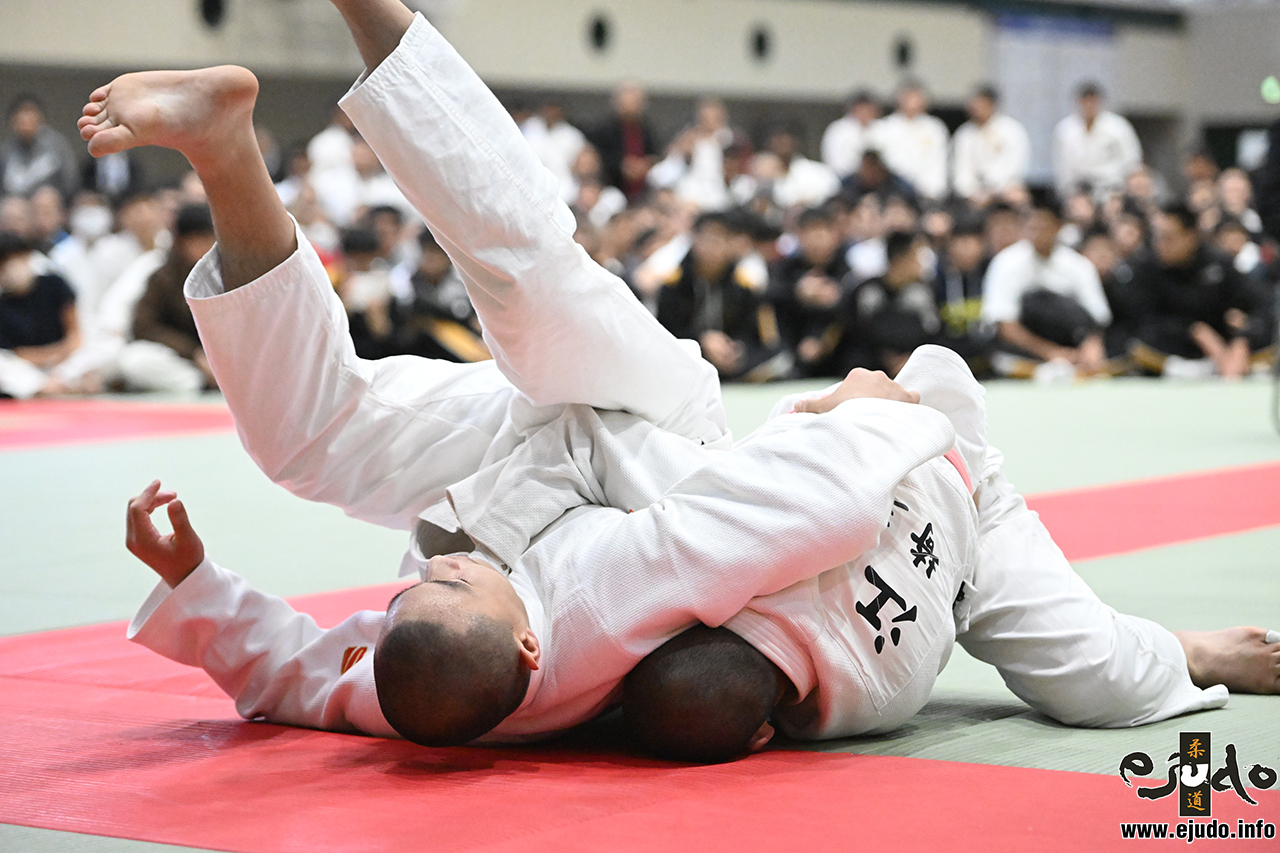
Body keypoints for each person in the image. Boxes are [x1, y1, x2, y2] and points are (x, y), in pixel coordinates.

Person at [89, 0, 1276, 756]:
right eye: (448, 594)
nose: (427, 572)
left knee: (309, 435)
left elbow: (301, 675)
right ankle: (318, 64)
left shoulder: (420, 676)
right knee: (533, 296)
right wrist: (894, 411)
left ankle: (229, 139)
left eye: (410, 596)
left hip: (533, 453)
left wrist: (199, 588)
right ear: (519, 655)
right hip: (653, 421)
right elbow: (812, 497)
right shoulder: (621, 591)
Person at [1127, 203, 1273, 379]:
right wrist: (1195, 331)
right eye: (1156, 237)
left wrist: (1243, 340)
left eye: (1168, 238)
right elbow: (1142, 324)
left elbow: (1262, 303)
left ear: (1191, 236)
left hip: (1224, 361)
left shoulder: (1218, 264)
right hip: (1166, 363)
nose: (1160, 245)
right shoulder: (1143, 268)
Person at [980, 194, 1111, 378]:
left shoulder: (1079, 266)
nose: (1037, 233)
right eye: (1032, 227)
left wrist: (1091, 345)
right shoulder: (1005, 263)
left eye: (1043, 227)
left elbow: (1097, 317)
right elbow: (1005, 326)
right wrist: (1051, 353)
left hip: (1072, 351)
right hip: (1024, 353)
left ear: (1059, 227)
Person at [654, 211, 788, 381]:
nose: (713, 246)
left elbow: (760, 338)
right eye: (708, 238)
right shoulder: (673, 282)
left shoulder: (744, 283)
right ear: (694, 239)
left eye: (720, 239)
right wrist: (702, 342)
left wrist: (736, 348)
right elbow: (663, 334)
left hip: (732, 365)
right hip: (686, 363)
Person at [767, 205, 853, 378]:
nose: (817, 239)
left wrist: (835, 299)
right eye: (810, 232)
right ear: (799, 235)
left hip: (837, 353)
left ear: (835, 235)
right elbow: (769, 296)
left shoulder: (847, 270)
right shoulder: (785, 268)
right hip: (792, 344)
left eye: (822, 231)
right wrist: (799, 292)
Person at [849, 230, 941, 376]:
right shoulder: (868, 292)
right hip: (872, 370)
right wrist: (886, 359)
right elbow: (858, 336)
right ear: (899, 260)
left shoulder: (924, 292)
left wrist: (911, 360)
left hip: (916, 369)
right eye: (916, 257)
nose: (921, 264)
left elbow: (933, 333)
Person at [1052, 82, 1142, 202]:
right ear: (1078, 102)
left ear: (1100, 102)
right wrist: (1068, 194)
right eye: (1085, 101)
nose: (1089, 106)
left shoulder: (1118, 127)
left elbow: (1131, 159)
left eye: (1093, 101)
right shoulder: (1065, 129)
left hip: (1113, 187)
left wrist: (1126, 189)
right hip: (1079, 189)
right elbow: (1062, 166)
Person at [868, 80, 949, 202]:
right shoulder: (883, 128)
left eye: (916, 97)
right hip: (892, 192)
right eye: (908, 97)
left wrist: (934, 192)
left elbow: (938, 163)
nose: (912, 102)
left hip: (926, 193)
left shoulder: (934, 128)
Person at [951, 86, 1030, 206]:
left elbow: (1016, 167)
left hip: (1006, 190)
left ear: (992, 104)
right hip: (975, 195)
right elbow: (962, 172)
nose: (976, 108)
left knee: (1019, 198)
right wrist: (973, 192)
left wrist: (995, 191)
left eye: (981, 104)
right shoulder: (964, 134)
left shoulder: (1011, 129)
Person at [2, 95, 78, 199]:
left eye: (30, 115)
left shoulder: (56, 146)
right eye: (21, 117)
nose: (26, 121)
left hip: (51, 202)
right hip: (16, 203)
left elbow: (70, 182)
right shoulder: (6, 151)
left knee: (45, 198)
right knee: (12, 207)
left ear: (40, 118)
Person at [821, 91, 881, 180]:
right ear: (855, 109)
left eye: (870, 110)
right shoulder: (838, 130)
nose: (866, 113)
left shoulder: (879, 128)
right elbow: (835, 162)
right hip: (846, 180)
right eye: (863, 109)